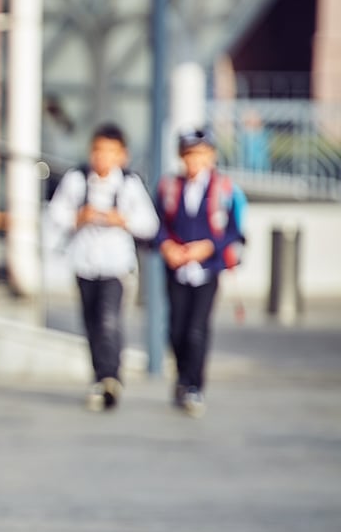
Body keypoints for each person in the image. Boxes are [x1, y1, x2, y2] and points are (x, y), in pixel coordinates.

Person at [46, 122, 159, 412]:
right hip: (84, 264)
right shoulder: (77, 179)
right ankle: (100, 378)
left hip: (116, 267)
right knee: (92, 323)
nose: (103, 158)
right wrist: (78, 217)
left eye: (110, 152)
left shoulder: (129, 184)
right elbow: (56, 214)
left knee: (109, 321)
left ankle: (111, 377)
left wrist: (123, 220)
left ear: (123, 155)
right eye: (98, 150)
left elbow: (149, 224)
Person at [155, 127, 247, 418]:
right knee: (176, 329)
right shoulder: (170, 187)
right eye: (190, 155)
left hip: (208, 270)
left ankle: (194, 385)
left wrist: (208, 247)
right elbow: (156, 224)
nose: (195, 161)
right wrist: (167, 246)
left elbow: (234, 231)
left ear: (211, 156)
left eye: (201, 155)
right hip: (177, 269)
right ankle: (182, 377)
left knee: (197, 329)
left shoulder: (224, 190)